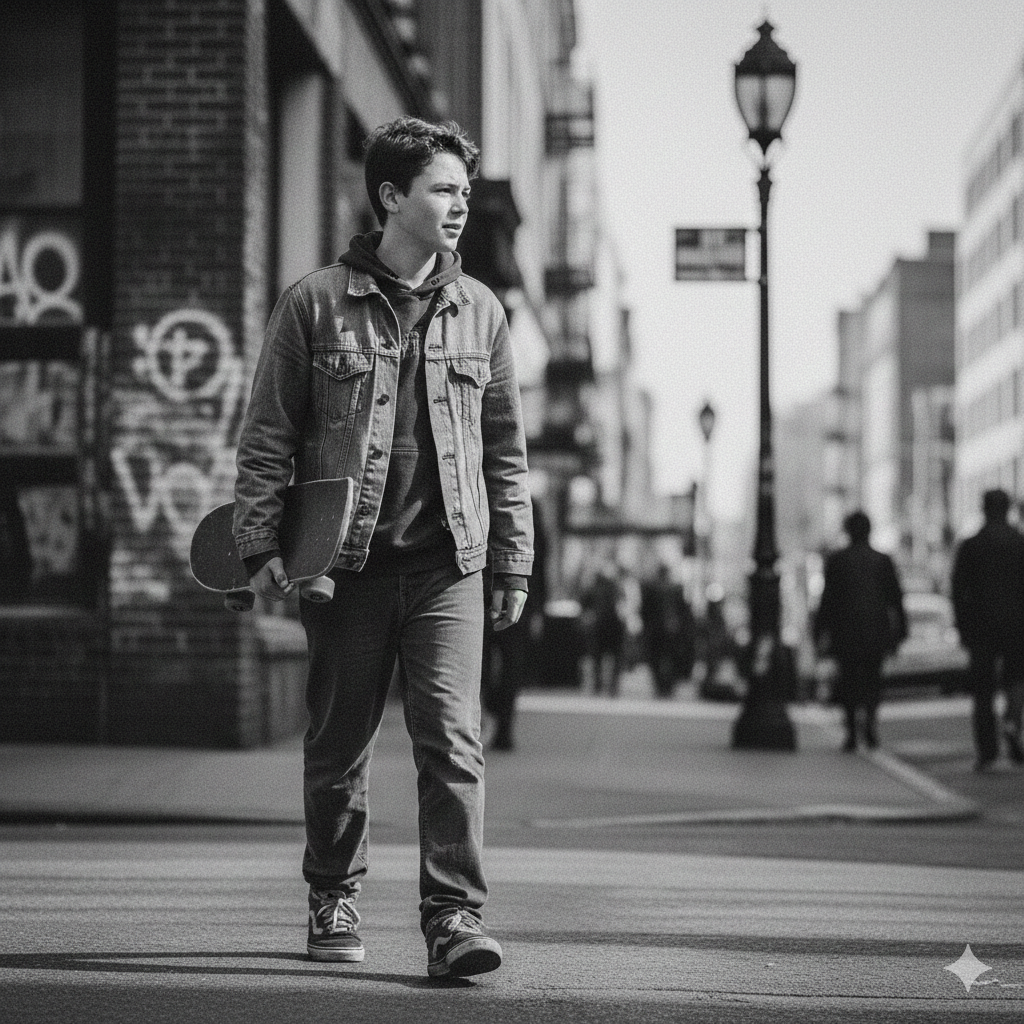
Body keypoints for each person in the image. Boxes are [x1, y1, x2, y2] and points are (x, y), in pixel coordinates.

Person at [232, 116, 533, 979]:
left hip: (448, 569)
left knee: (452, 741)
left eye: (465, 193)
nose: (459, 206)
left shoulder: (481, 312)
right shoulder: (316, 302)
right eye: (443, 189)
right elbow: (266, 439)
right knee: (339, 746)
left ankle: (454, 917)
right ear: (391, 196)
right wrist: (262, 548)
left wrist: (511, 557)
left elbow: (504, 452)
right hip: (347, 567)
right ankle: (333, 889)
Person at [813, 511, 907, 751]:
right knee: (873, 680)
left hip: (846, 632)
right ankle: (870, 724)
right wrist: (900, 631)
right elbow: (895, 599)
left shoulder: (837, 561)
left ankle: (853, 731)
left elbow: (828, 600)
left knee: (849, 680)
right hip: (875, 631)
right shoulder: (882, 560)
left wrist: (819, 632)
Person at [950, 488, 1024, 771]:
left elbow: (958, 590)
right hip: (1017, 625)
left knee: (983, 689)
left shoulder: (971, 546)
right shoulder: (1019, 543)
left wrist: (962, 626)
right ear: (1007, 510)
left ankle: (987, 749)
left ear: (984, 509)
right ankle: (1012, 725)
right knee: (1016, 681)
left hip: (980, 628)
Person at [640, 564, 696, 699]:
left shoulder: (651, 587)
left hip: (657, 629)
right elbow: (684, 610)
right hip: (671, 629)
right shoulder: (676, 588)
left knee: (656, 657)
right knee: (670, 657)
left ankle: (661, 685)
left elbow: (645, 610)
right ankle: (667, 686)